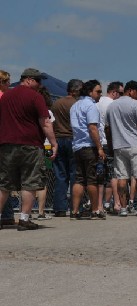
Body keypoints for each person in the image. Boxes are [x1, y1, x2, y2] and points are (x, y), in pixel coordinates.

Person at [0, 68, 57, 231]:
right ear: (29, 80)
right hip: (30, 145)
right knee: (30, 182)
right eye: (38, 81)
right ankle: (24, 219)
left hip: (6, 145)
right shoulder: (35, 97)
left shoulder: (6, 97)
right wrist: (53, 143)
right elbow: (45, 122)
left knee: (4, 184)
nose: (40, 85)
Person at [105, 80, 137, 217]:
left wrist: (111, 144)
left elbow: (107, 129)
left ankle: (123, 208)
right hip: (135, 145)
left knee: (122, 177)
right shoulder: (135, 104)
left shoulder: (112, 106)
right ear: (130, 90)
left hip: (118, 146)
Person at [70, 79, 105, 220]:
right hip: (89, 146)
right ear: (90, 92)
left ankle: (75, 211)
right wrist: (100, 148)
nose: (100, 94)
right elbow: (92, 128)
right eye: (98, 91)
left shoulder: (75, 106)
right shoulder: (91, 106)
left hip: (77, 146)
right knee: (92, 179)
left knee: (79, 179)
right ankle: (95, 210)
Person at [51, 78, 83, 217]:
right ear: (77, 90)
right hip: (73, 140)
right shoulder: (78, 104)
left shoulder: (56, 103)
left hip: (58, 139)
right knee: (75, 175)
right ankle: (76, 207)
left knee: (60, 175)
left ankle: (59, 208)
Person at [97, 81, 123, 214]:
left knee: (101, 175)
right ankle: (117, 203)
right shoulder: (113, 105)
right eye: (121, 93)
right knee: (114, 174)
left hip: (98, 142)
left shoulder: (97, 102)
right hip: (110, 141)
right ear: (114, 92)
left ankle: (101, 204)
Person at [35, 86, 56, 221]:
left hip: (34, 146)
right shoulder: (48, 112)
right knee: (45, 178)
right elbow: (50, 129)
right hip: (47, 146)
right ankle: (41, 211)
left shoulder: (30, 111)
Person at [0, 69, 16, 227]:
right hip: (4, 142)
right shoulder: (5, 98)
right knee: (5, 181)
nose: (10, 84)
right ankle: (7, 215)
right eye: (7, 81)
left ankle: (7, 214)